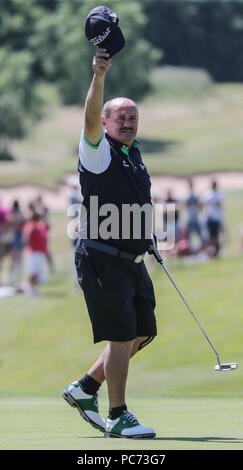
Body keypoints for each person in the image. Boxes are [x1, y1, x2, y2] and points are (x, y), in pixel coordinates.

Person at [62, 48, 157, 439]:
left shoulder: (133, 155)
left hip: (131, 259)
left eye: (133, 117)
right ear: (105, 122)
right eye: (121, 117)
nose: (129, 122)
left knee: (141, 332)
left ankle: (85, 388)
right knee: (121, 336)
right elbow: (88, 119)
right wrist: (99, 78)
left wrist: (147, 237)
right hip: (102, 258)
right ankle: (118, 416)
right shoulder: (98, 152)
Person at [22, 209, 49, 296]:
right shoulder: (31, 225)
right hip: (34, 252)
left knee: (37, 272)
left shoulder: (39, 225)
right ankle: (30, 289)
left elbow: (48, 227)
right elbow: (26, 237)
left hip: (39, 252)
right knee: (33, 272)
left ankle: (33, 288)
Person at [202, 180, 224, 258]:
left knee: (216, 235)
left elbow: (220, 205)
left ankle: (215, 252)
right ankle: (211, 252)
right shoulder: (208, 194)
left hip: (216, 218)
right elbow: (203, 204)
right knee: (210, 236)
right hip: (209, 217)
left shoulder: (218, 194)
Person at [184, 179, 202, 251]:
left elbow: (199, 205)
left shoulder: (196, 194)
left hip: (196, 217)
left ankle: (199, 249)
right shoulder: (186, 195)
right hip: (190, 218)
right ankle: (191, 250)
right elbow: (186, 205)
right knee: (189, 236)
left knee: (199, 235)